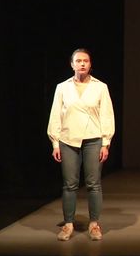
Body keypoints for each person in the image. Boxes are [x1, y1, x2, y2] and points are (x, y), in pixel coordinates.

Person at [47, 48, 115, 241]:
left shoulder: (100, 87)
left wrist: (105, 142)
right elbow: (55, 115)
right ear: (72, 64)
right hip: (68, 140)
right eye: (78, 61)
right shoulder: (62, 87)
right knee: (70, 184)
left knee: (93, 184)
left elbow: (107, 115)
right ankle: (68, 225)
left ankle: (94, 224)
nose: (82, 64)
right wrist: (55, 143)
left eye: (85, 61)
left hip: (93, 139)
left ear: (90, 64)